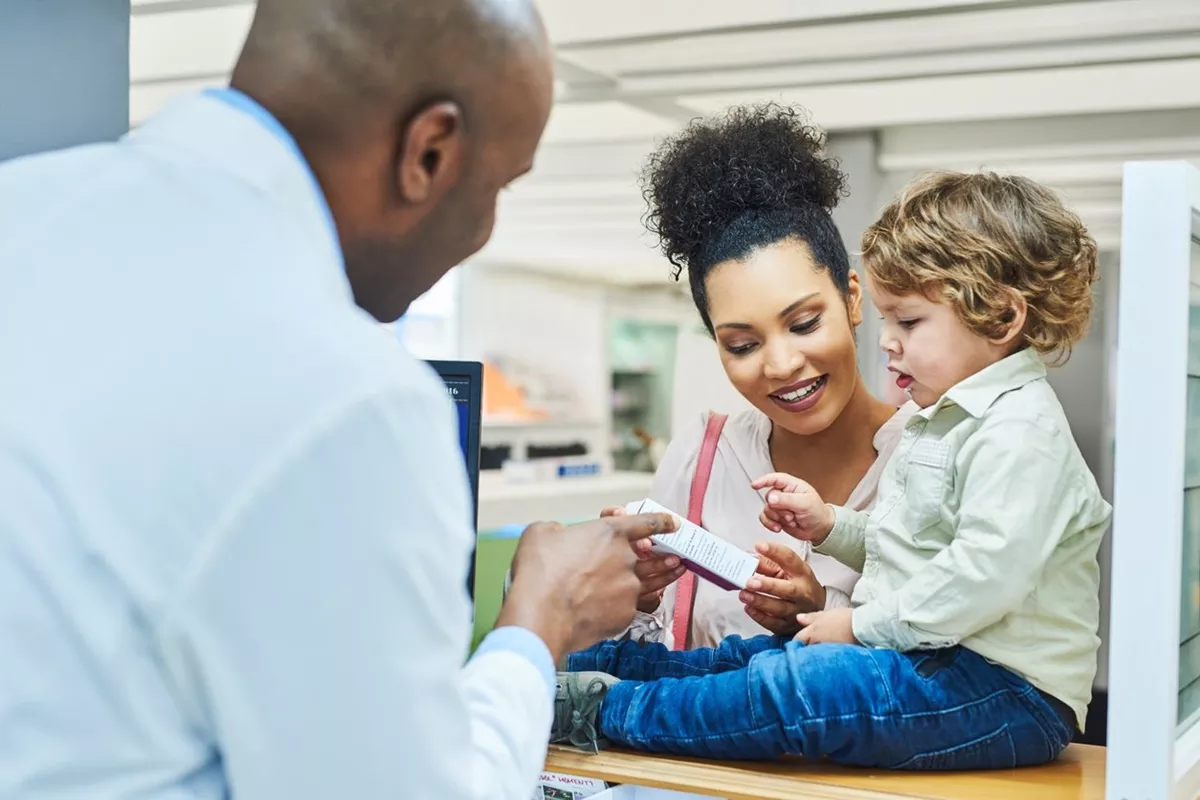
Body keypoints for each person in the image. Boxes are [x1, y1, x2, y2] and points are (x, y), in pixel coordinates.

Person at [0, 1, 676, 798]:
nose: (486, 226)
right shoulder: (351, 400)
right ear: (428, 151)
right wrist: (541, 617)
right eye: (497, 185)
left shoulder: (20, 206)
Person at [553, 170, 1112, 770]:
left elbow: (979, 578)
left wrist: (858, 624)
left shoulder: (1018, 432)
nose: (889, 343)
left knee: (801, 684)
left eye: (909, 323)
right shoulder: (949, 422)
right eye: (741, 344)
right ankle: (590, 671)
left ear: (1001, 317)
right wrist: (829, 526)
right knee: (755, 659)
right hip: (940, 664)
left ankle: (605, 711)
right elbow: (913, 546)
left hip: (1004, 691)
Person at [609, 104, 917, 649]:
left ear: (851, 297)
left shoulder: (934, 454)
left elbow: (966, 661)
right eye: (743, 344)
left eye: (803, 323)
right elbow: (655, 653)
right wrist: (637, 594)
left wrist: (821, 612)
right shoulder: (702, 458)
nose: (779, 365)